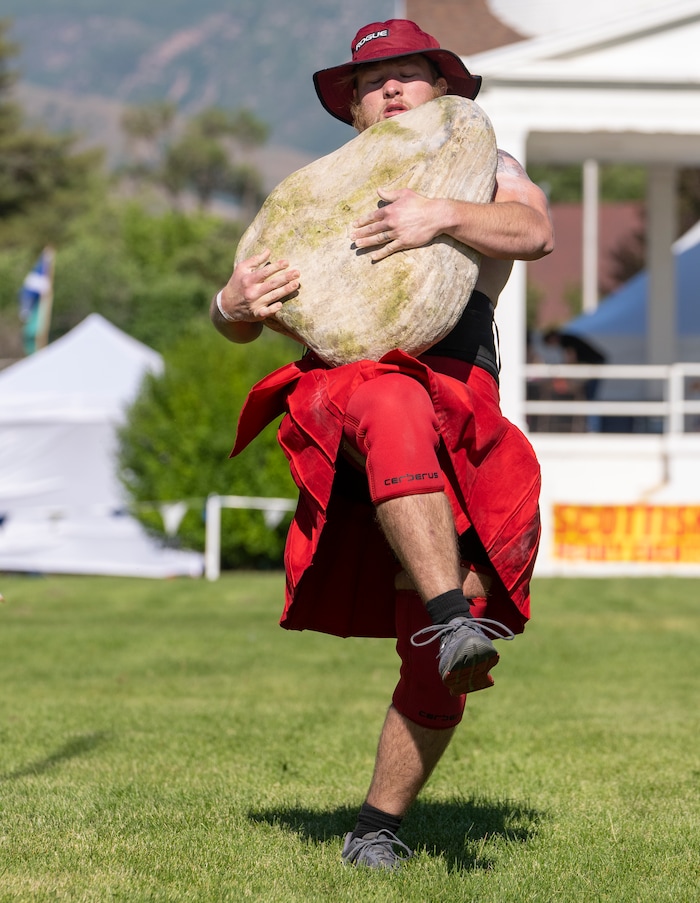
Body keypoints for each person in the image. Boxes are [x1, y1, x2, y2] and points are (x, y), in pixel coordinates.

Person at [211, 19, 554, 870]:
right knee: (392, 401)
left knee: (436, 660)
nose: (392, 89)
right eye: (373, 81)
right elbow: (242, 326)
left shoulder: (488, 168)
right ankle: (451, 618)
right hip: (349, 389)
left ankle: (377, 825)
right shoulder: (326, 188)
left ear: (445, 91)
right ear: (354, 109)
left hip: (462, 395)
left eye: (411, 74)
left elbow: (534, 234)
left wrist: (442, 214)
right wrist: (230, 301)